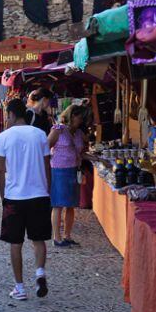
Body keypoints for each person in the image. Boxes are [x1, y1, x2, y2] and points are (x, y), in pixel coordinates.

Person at [0, 99, 52, 301]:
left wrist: (3, 195)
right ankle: (40, 273)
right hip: (39, 194)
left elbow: (0, 169)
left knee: (15, 243)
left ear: (10, 115)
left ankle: (19, 287)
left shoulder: (3, 137)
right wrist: (48, 190)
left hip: (15, 197)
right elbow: (47, 166)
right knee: (39, 239)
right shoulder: (40, 134)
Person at [48, 105, 88, 248]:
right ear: (72, 116)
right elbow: (46, 147)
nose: (81, 120)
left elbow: (81, 152)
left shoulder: (78, 133)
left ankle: (67, 235)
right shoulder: (58, 129)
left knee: (71, 205)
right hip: (58, 171)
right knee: (58, 205)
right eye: (79, 117)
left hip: (73, 170)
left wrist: (97, 159)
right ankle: (57, 238)